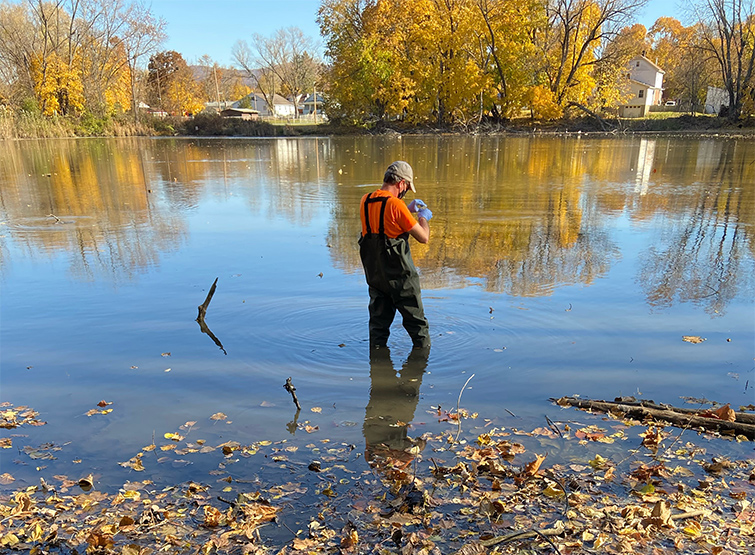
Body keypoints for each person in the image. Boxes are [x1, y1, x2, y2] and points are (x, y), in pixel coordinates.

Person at [358, 161, 432, 349]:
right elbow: (423, 237)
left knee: (378, 328)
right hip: (401, 279)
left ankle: (377, 366)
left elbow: (384, 225)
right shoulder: (396, 205)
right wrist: (422, 216)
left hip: (376, 278)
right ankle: (420, 367)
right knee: (418, 328)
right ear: (401, 184)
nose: (404, 192)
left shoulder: (365, 201)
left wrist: (406, 210)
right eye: (406, 187)